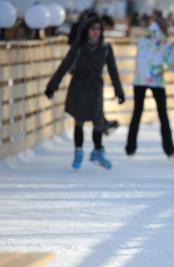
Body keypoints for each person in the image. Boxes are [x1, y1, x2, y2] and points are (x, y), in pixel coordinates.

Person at [45, 16, 125, 169]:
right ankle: (78, 152)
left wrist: (119, 91)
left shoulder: (106, 48)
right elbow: (65, 65)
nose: (95, 32)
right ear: (87, 30)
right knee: (79, 120)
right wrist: (52, 86)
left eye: (98, 29)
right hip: (79, 86)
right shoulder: (79, 46)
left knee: (97, 120)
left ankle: (98, 151)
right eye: (92, 28)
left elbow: (113, 71)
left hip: (95, 87)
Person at [125, 18, 174, 157]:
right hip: (156, 80)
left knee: (137, 112)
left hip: (139, 80)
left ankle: (130, 147)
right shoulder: (165, 42)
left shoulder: (142, 40)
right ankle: (169, 149)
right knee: (162, 114)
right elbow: (172, 64)